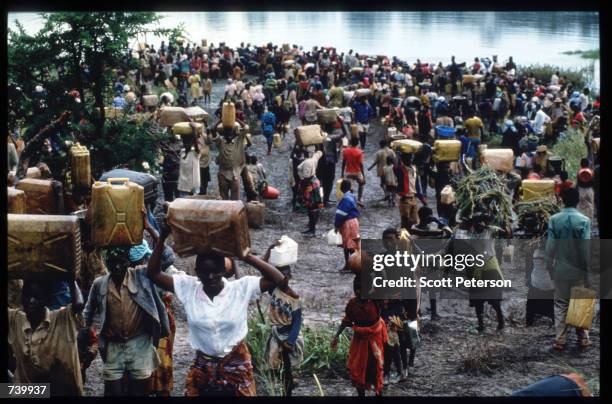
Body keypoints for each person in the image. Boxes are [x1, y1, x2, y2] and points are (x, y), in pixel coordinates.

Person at [146, 221, 287, 396]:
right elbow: (153, 274)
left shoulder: (240, 288)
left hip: (237, 364)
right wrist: (161, 238)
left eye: (216, 271)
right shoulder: (188, 287)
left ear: (224, 270)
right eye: (204, 272)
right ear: (197, 271)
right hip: (203, 366)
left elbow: (278, 279)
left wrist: (246, 256)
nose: (210, 276)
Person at [8, 280, 85, 395]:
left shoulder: (62, 318)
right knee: (6, 391)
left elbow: (78, 304)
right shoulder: (15, 319)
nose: (31, 301)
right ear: (21, 298)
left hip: (61, 392)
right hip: (30, 392)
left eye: (37, 297)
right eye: (27, 296)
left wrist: (70, 276)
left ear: (47, 300)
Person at [545, 188, 592, 348]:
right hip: (578, 271)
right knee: (580, 302)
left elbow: (550, 249)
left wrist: (550, 269)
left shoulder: (554, 219)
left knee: (560, 305)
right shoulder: (584, 221)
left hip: (560, 270)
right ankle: (583, 338)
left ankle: (560, 339)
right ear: (578, 200)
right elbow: (585, 250)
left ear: (562, 200)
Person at [331, 275, 387, 397]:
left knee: (375, 370)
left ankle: (379, 393)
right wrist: (336, 336)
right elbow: (347, 320)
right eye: (358, 290)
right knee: (358, 370)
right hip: (359, 343)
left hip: (374, 342)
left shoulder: (375, 301)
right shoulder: (353, 304)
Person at [261, 242, 304, 397]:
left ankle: (288, 389)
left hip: (288, 335)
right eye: (278, 275)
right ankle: (280, 387)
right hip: (275, 334)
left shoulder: (294, 297)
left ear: (289, 277)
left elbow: (297, 322)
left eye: (284, 275)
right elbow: (262, 268)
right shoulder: (273, 290)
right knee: (272, 366)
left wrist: (290, 341)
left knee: (288, 367)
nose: (281, 278)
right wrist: (269, 249)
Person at [452, 214, 506, 332]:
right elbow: (456, 239)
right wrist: (463, 226)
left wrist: (490, 226)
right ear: (473, 224)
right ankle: (481, 324)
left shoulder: (490, 231)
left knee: (494, 299)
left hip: (489, 267)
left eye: (481, 222)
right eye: (476, 222)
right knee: (478, 300)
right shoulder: (468, 234)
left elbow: (505, 233)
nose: (479, 224)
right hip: (475, 269)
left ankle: (501, 320)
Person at [394, 152, 427, 230]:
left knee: (415, 221)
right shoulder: (400, 169)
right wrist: (398, 157)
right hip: (405, 199)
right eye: (408, 158)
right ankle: (404, 237)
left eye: (411, 157)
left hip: (413, 198)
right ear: (403, 159)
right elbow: (394, 168)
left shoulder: (414, 168)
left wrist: (422, 199)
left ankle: (409, 236)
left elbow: (417, 185)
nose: (410, 159)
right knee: (405, 221)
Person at [335, 179, 361, 271]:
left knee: (347, 245)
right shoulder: (352, 196)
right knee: (353, 243)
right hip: (354, 221)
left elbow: (341, 214)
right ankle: (354, 263)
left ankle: (349, 264)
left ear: (341, 189)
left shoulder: (345, 199)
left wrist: (336, 225)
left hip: (347, 223)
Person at [297, 148, 324, 235]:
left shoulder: (306, 162)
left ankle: (312, 229)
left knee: (310, 207)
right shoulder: (314, 158)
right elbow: (320, 153)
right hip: (315, 182)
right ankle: (312, 227)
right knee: (315, 206)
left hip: (308, 184)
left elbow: (299, 170)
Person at [177, 128, 201, 197]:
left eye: (189, 142)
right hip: (183, 185)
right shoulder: (182, 152)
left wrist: (193, 130)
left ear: (192, 143)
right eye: (185, 142)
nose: (186, 143)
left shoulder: (195, 153)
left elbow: (196, 145)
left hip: (193, 186)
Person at [342, 136, 366, 203]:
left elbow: (343, 163)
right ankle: (359, 198)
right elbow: (361, 165)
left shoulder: (346, 151)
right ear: (358, 143)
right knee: (361, 184)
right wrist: (363, 176)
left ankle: (350, 198)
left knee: (349, 187)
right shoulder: (359, 152)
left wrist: (342, 173)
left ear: (350, 142)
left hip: (348, 172)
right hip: (357, 172)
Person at [196, 126, 212, 195]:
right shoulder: (192, 137)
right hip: (196, 162)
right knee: (198, 179)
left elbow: (209, 141)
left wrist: (209, 133)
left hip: (205, 162)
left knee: (204, 180)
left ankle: (203, 192)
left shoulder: (204, 136)